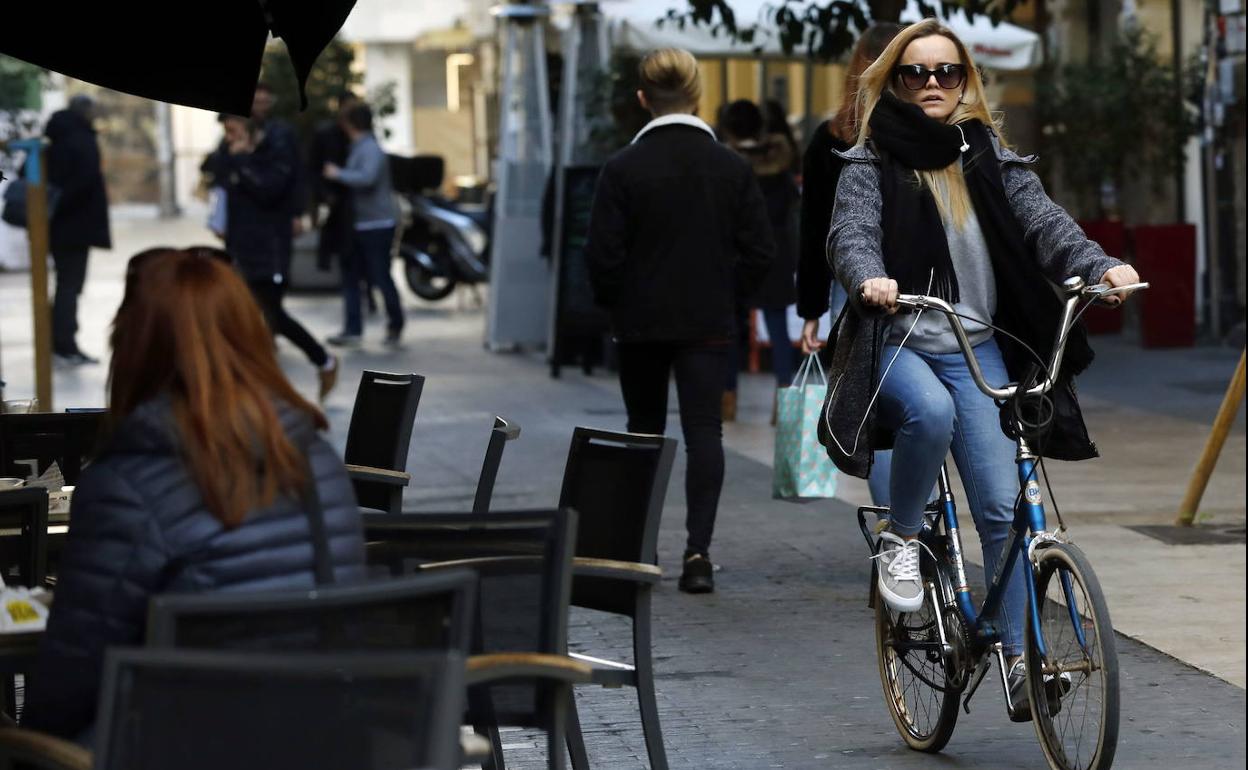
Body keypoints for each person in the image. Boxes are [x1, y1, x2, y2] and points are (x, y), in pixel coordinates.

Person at [825, 18, 1141, 718]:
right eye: (915, 73)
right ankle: (903, 538)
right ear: (894, 82)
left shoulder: (989, 156)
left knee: (1003, 509)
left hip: (977, 345)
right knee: (929, 413)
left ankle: (1019, 660)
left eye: (947, 71)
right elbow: (850, 235)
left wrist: (1099, 266)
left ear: (966, 79)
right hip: (899, 341)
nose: (932, 84)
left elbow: (1046, 224)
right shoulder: (869, 162)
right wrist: (868, 276)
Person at [21, 247, 366, 742]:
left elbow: (71, 681)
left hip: (181, 745)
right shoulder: (316, 459)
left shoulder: (127, 484)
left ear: (136, 345)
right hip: (320, 739)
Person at [585, 48, 774, 594]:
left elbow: (601, 255)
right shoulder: (731, 168)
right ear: (697, 96)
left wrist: (618, 302)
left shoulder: (622, 168)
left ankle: (640, 550)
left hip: (640, 320)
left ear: (643, 98)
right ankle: (698, 554)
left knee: (643, 430)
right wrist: (729, 297)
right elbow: (760, 251)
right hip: (707, 319)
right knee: (704, 431)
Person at [798, 23, 902, 504]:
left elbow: (814, 231)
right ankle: (908, 517)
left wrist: (811, 310)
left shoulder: (830, 138)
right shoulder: (929, 136)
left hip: (851, 284)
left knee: (872, 400)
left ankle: (894, 519)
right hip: (910, 282)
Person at [205, 114, 339, 400]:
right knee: (242, 314)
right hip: (240, 248)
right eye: (226, 132)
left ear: (250, 131)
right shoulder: (228, 154)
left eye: (233, 131)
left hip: (271, 249)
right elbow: (216, 178)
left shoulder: (275, 152)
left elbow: (269, 191)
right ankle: (252, 382)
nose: (229, 138)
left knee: (273, 315)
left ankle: (323, 361)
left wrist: (241, 160)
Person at [718, 99, 800, 421]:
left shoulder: (728, 165)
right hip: (776, 254)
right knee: (778, 329)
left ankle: (727, 400)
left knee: (730, 330)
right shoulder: (780, 162)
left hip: (737, 253)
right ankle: (783, 402)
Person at [323, 102, 405, 347]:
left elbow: (367, 178)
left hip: (376, 224)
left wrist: (338, 174)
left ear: (349, 124)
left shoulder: (369, 149)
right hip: (358, 224)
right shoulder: (358, 147)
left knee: (380, 276)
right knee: (351, 277)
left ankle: (395, 323)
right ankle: (353, 329)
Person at [45, 94, 111, 366]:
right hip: (73, 226)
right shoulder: (79, 139)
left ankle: (61, 342)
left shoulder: (60, 136)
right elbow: (82, 182)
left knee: (66, 284)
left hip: (63, 225)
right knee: (69, 286)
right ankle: (65, 344)